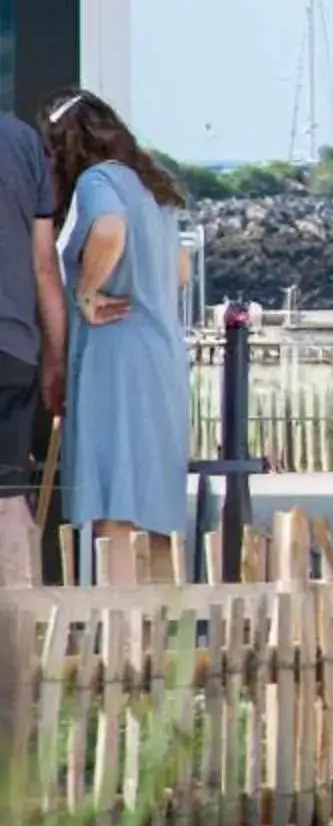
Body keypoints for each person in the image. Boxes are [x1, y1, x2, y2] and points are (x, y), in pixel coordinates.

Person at [41, 91, 188, 578]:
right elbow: (181, 270)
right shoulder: (153, 189)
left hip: (115, 353)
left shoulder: (98, 181)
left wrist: (87, 290)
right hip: (160, 354)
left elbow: (109, 228)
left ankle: (119, 626)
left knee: (116, 497)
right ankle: (164, 638)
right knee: (157, 503)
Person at [0, 104, 66, 581]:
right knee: (6, 498)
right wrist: (56, 357)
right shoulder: (23, 142)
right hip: (14, 346)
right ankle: (20, 635)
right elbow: (45, 264)